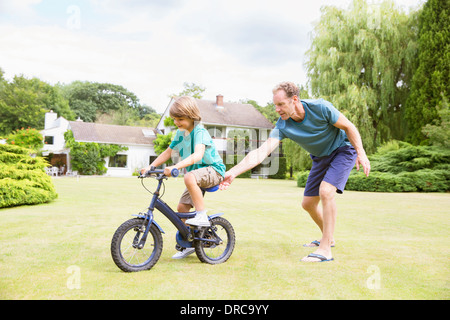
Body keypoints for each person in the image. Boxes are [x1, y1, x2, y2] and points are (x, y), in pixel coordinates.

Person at [220, 82, 370, 262]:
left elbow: (349, 127)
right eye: (275, 105)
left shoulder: (320, 108)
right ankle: (328, 238)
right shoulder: (283, 125)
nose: (277, 109)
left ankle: (325, 250)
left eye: (281, 104)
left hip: (343, 149)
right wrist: (234, 172)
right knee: (308, 204)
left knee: (326, 191)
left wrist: (361, 153)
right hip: (320, 157)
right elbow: (261, 152)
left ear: (295, 100)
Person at [141, 96, 226, 259]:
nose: (177, 123)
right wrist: (151, 167)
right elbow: (168, 152)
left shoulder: (200, 131)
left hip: (214, 171)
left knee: (188, 177)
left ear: (192, 116)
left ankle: (201, 215)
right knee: (182, 208)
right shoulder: (180, 134)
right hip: (196, 176)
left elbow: (198, 155)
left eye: (180, 119)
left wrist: (175, 167)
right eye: (174, 119)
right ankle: (189, 244)